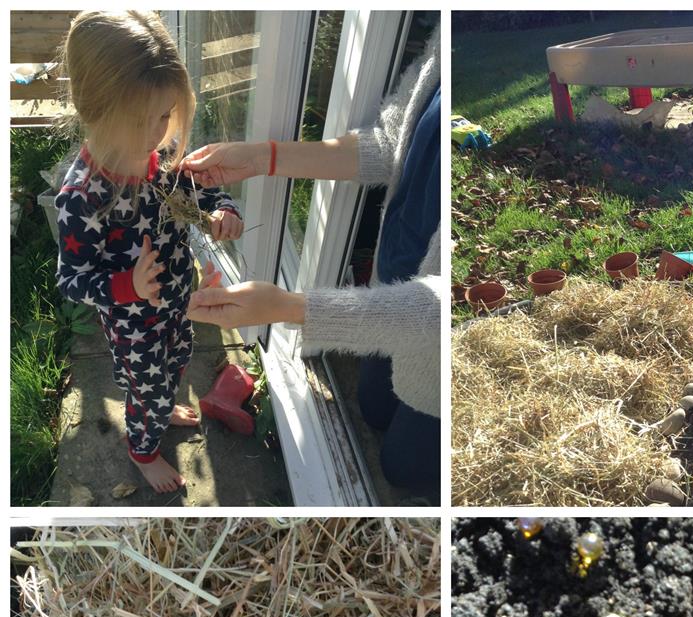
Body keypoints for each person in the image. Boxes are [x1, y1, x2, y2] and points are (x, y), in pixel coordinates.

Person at [184, 26, 440, 495]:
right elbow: (388, 141)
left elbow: (437, 308)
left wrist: (286, 308)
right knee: (373, 407)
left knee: (402, 470)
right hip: (395, 277)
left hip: (439, 334)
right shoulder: (445, 40)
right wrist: (263, 157)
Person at [54, 11, 243, 493]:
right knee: (146, 387)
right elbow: (72, 279)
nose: (158, 133)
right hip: (132, 323)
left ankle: (160, 411)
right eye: (143, 120)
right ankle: (142, 451)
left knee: (178, 362)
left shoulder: (154, 157)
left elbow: (198, 191)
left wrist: (223, 210)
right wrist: (128, 285)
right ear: (96, 107)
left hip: (176, 303)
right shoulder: (85, 195)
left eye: (165, 115)